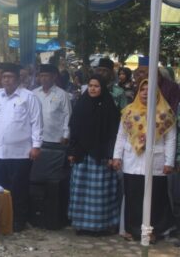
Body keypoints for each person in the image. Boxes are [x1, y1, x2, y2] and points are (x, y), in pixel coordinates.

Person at [0, 63, 43, 232]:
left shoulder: (29, 97)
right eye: (4, 77)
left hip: (20, 153)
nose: (6, 80)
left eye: (10, 77)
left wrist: (36, 146)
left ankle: (18, 221)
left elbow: (37, 123)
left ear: (18, 79)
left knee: (19, 189)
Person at [112, 79, 176, 242]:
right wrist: (117, 156)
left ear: (157, 93)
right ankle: (133, 230)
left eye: (150, 89)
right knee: (133, 197)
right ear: (138, 92)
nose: (146, 92)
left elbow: (170, 139)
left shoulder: (165, 113)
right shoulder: (128, 112)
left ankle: (153, 231)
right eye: (143, 90)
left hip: (156, 162)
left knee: (156, 197)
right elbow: (121, 136)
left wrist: (169, 162)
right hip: (132, 161)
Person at [68, 74, 121, 235]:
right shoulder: (81, 104)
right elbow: (74, 130)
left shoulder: (109, 106)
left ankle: (100, 226)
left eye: (96, 86)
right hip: (82, 155)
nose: (92, 89)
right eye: (90, 85)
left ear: (103, 88)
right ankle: (81, 225)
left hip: (101, 156)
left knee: (100, 193)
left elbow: (114, 133)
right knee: (81, 191)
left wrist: (112, 155)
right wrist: (71, 150)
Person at [33, 64, 71, 144]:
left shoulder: (62, 94)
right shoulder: (34, 93)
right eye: (41, 76)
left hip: (56, 139)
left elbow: (68, 115)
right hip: (37, 138)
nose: (43, 78)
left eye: (46, 76)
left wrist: (66, 135)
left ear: (54, 77)